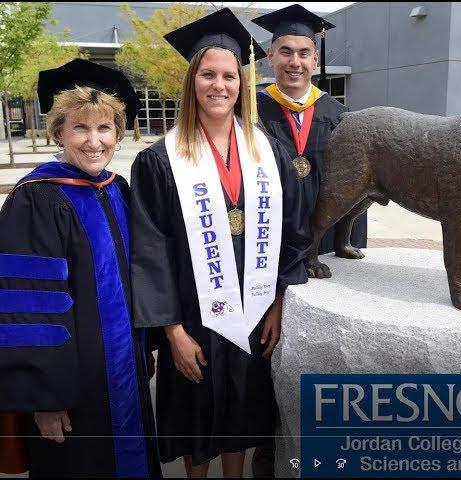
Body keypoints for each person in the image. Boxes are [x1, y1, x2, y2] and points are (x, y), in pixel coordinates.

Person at [129, 8, 310, 478]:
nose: (219, 85)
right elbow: (150, 252)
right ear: (192, 81)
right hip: (194, 316)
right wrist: (171, 332)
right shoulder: (159, 160)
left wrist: (277, 304)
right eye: (208, 74)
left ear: (240, 83)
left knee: (246, 412)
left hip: (254, 311)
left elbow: (294, 231)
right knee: (197, 414)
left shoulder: (265, 148)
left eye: (229, 75)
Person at [0, 59, 161, 477]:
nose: (94, 142)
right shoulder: (36, 200)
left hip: (124, 374)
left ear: (118, 133)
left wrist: (146, 345)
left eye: (104, 128)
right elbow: (29, 306)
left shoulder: (117, 189)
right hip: (72, 393)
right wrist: (45, 399)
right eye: (80, 128)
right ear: (58, 132)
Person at [252, 3, 368, 259]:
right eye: (286, 52)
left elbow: (356, 186)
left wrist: (350, 242)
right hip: (269, 237)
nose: (295, 62)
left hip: (325, 240)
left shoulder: (340, 115)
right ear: (270, 56)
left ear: (315, 59)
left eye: (304, 53)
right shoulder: (249, 112)